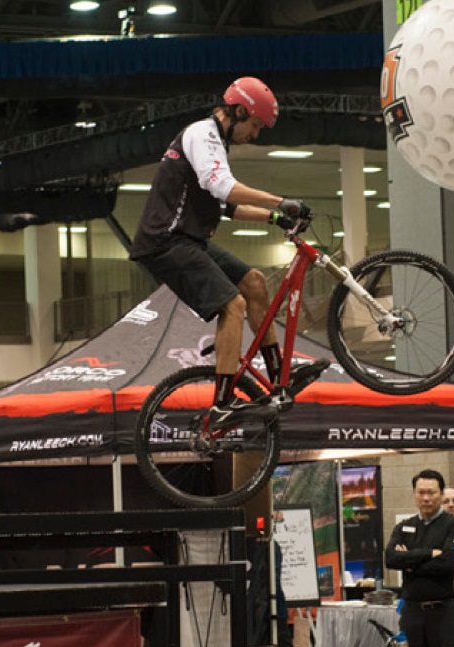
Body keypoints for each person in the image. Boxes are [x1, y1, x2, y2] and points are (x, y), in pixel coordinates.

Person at [128, 76, 324, 427]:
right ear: (237, 111)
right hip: (165, 242)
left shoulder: (215, 143)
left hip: (189, 240)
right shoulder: (202, 134)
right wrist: (281, 201)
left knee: (254, 283)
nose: (256, 134)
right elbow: (224, 187)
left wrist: (275, 217)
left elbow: (225, 206)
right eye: (255, 125)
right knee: (233, 305)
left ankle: (279, 380)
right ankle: (222, 403)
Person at [387, 469, 454, 647]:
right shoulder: (404, 526)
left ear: (441, 495)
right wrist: (429, 554)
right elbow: (391, 559)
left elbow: (448, 563)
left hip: (444, 613)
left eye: (431, 492)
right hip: (412, 613)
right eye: (421, 492)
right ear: (414, 495)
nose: (426, 498)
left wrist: (409, 563)